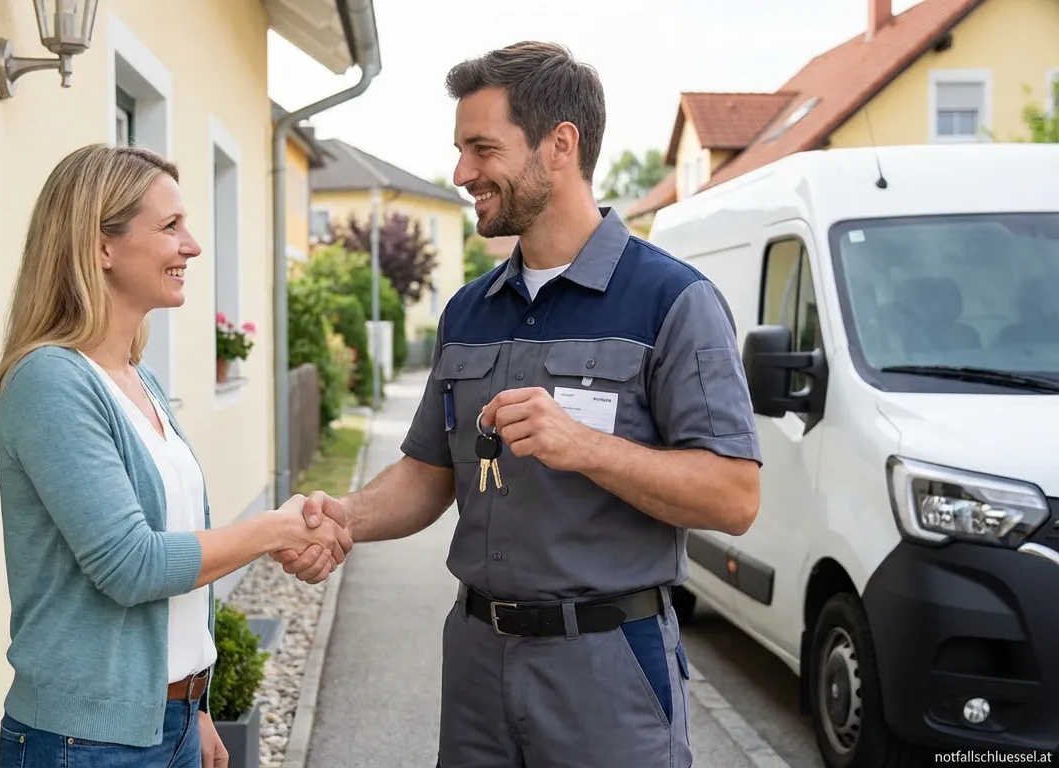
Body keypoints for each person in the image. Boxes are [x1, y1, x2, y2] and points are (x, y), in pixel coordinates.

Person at [275, 42, 762, 767]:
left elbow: (734, 495)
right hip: (476, 660)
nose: (462, 172)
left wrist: (586, 446)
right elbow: (429, 472)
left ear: (559, 145)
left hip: (607, 669)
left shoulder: (672, 301)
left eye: (482, 148)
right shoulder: (468, 312)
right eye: (460, 149)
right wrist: (344, 520)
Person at [0, 144, 352, 768]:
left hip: (171, 722)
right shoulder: (50, 381)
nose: (193, 245)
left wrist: (195, 706)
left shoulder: (138, 379)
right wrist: (274, 530)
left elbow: (177, 546)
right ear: (101, 245)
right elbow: (131, 566)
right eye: (170, 226)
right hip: (86, 741)